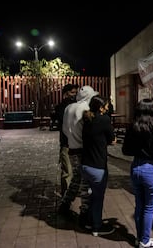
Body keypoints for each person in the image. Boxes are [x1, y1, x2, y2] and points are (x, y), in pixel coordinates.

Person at [122, 99, 153, 248]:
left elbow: (125, 150)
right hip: (151, 168)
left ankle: (139, 238)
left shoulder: (133, 127)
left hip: (136, 167)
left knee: (139, 205)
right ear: (152, 111)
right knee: (149, 208)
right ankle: (145, 240)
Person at [58, 85, 98, 224]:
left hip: (71, 147)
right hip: (83, 149)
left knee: (76, 178)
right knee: (85, 183)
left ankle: (65, 203)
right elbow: (88, 131)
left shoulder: (69, 108)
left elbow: (64, 129)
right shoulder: (85, 109)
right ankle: (84, 213)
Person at [81, 95, 117, 236]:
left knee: (91, 195)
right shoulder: (104, 120)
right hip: (98, 166)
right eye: (106, 106)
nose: (108, 108)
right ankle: (97, 226)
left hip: (85, 165)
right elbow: (112, 139)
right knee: (98, 198)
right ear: (101, 108)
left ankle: (89, 222)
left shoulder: (87, 120)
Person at [54, 83, 78, 196]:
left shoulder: (77, 105)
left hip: (77, 142)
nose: (75, 95)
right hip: (66, 143)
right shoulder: (62, 107)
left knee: (76, 170)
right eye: (72, 92)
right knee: (68, 170)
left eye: (76, 92)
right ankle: (66, 196)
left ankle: (71, 192)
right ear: (66, 93)